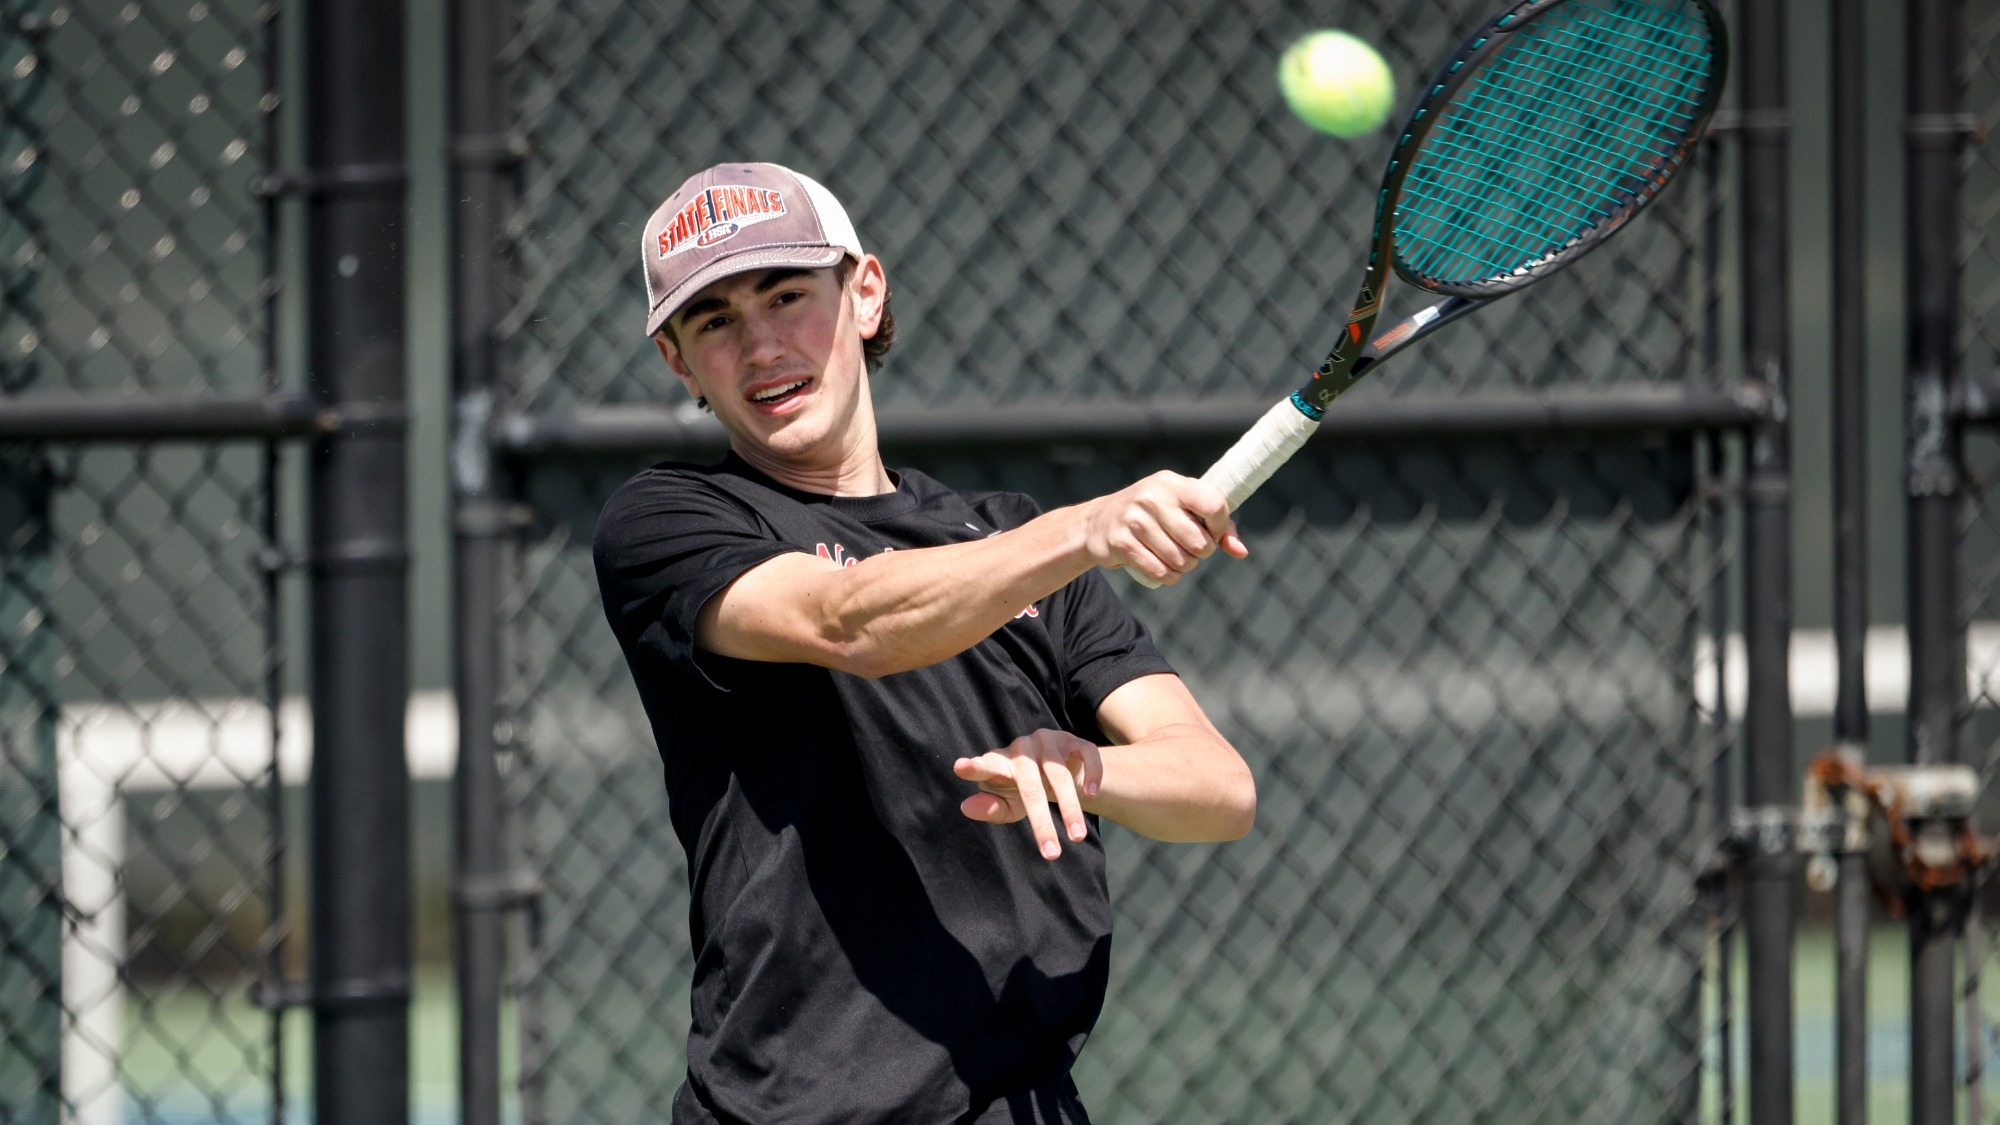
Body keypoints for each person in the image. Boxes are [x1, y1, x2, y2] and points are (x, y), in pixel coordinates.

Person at [593, 161, 1257, 1125]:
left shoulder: (1010, 540)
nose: (763, 343)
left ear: (864, 293)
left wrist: (1090, 770)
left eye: (787, 295)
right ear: (678, 364)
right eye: (715, 322)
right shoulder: (670, 522)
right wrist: (1082, 529)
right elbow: (848, 621)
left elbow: (1218, 788)